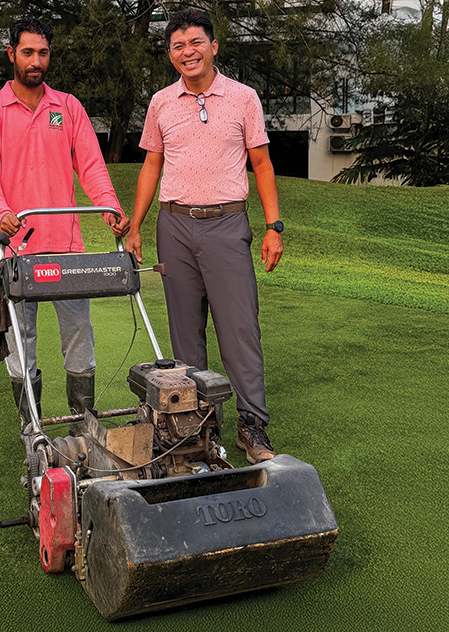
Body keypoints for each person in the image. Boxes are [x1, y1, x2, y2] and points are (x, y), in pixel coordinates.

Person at [125, 8, 284, 463]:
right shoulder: (161, 102)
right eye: (177, 46)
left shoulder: (243, 98)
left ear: (214, 46)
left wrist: (273, 226)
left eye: (195, 42)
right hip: (173, 225)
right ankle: (196, 430)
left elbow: (262, 164)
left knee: (239, 331)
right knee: (185, 338)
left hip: (226, 224)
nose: (187, 52)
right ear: (171, 55)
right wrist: (135, 226)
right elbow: (151, 165)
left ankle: (253, 428)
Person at [0, 18, 129, 431]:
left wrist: (109, 206)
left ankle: (83, 425)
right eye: (27, 52)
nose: (36, 61)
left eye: (43, 53)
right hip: (13, 247)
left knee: (80, 336)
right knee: (20, 344)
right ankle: (33, 428)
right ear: (11, 55)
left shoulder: (67, 107)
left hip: (65, 247)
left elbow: (92, 165)